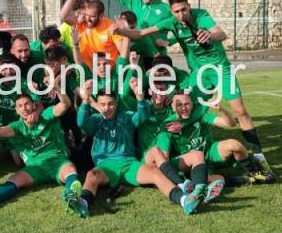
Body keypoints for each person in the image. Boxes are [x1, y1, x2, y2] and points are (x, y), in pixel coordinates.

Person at [112, 0, 272, 172]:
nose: (181, 14)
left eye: (184, 10)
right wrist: (120, 31)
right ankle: (186, 152)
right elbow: (141, 33)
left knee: (239, 111)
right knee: (185, 104)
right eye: (176, 11)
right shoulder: (171, 23)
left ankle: (259, 155)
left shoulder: (201, 15)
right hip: (199, 73)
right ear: (171, 12)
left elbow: (221, 33)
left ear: (189, 6)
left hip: (220, 69)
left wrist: (209, 35)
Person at [75, 80, 199, 216]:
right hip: (106, 166)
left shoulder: (126, 117)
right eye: (102, 104)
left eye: (110, 104)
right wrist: (85, 100)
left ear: (116, 103)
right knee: (91, 175)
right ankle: (83, 203)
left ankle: (184, 200)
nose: (107, 108)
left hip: (129, 164)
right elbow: (81, 123)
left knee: (154, 172)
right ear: (98, 105)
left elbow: (142, 116)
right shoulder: (96, 120)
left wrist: (140, 97)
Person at [0, 80, 85, 216]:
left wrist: (57, 88)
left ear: (34, 105)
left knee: (70, 170)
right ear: (16, 110)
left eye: (27, 104)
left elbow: (65, 104)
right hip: (36, 167)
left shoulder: (46, 115)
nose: (24, 108)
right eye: (20, 106)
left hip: (58, 161)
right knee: (15, 179)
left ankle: (71, 196)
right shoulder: (16, 127)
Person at [105, 0, 173, 60]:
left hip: (157, 56)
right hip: (136, 55)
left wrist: (169, 41)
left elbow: (181, 28)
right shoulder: (136, 3)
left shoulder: (166, 9)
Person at [59, 0, 122, 68]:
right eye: (86, 14)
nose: (87, 18)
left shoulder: (110, 25)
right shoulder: (79, 24)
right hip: (88, 71)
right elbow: (63, 16)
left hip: (109, 70)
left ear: (100, 15)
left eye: (92, 16)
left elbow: (122, 52)